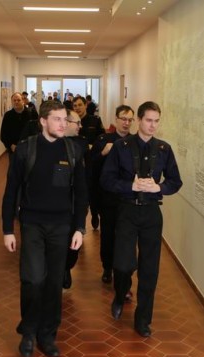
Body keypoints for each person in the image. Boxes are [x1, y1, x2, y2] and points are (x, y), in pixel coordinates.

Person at [2, 100, 88, 357]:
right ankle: (28, 332)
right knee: (32, 279)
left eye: (65, 119)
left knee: (53, 283)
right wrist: (8, 229)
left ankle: (47, 334)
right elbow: (11, 191)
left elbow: (81, 192)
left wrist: (80, 228)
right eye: (57, 119)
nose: (63, 124)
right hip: (32, 223)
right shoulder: (26, 149)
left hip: (61, 225)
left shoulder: (73, 150)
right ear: (43, 121)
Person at [100, 101, 182, 338]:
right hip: (127, 210)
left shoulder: (164, 149)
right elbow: (106, 180)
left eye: (156, 121)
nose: (153, 125)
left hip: (151, 213)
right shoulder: (121, 147)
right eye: (148, 120)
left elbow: (175, 182)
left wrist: (159, 187)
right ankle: (120, 293)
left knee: (149, 269)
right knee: (123, 264)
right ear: (139, 120)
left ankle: (143, 319)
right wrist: (130, 186)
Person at [90, 105, 134, 290]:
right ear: (116, 119)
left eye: (130, 120)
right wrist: (103, 153)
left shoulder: (135, 142)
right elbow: (91, 164)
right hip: (108, 198)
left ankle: (123, 272)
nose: (126, 123)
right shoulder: (104, 140)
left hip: (128, 199)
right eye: (123, 118)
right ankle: (107, 267)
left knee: (126, 238)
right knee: (108, 235)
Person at [63, 109, 88, 290]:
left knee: (73, 246)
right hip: (56, 207)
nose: (80, 126)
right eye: (77, 122)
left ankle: (67, 266)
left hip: (75, 204)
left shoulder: (80, 146)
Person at [73, 96, 104, 230]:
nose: (77, 108)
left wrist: (94, 147)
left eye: (80, 105)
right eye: (75, 105)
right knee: (81, 191)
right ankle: (81, 222)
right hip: (78, 162)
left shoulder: (95, 120)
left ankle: (95, 213)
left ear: (86, 105)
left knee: (94, 191)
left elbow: (102, 138)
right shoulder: (71, 121)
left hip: (93, 160)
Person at [0, 92, 31, 161]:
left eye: (18, 100)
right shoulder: (8, 116)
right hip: (13, 150)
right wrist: (10, 145)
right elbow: (3, 135)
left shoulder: (31, 114)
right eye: (14, 100)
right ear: (12, 102)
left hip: (29, 150)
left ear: (23, 101)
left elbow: (36, 132)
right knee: (14, 168)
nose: (16, 102)